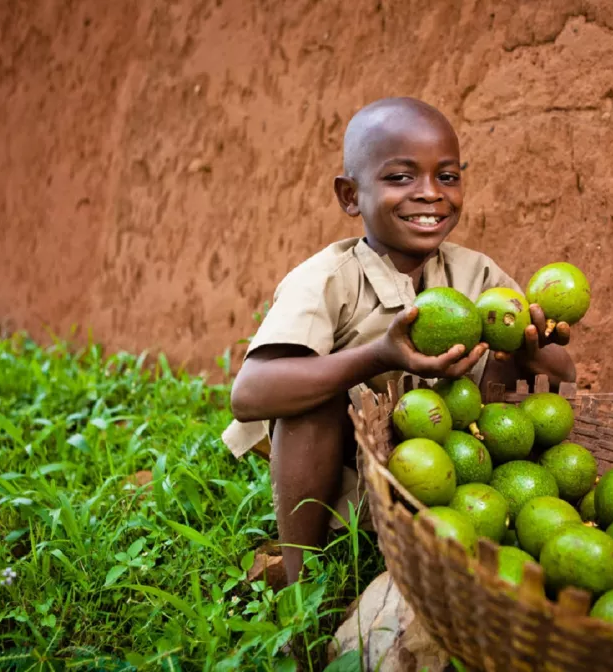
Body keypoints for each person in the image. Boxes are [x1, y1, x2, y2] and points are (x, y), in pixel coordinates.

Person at [225, 97, 576, 584]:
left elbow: (563, 378)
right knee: (312, 401)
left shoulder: (479, 276)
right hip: (350, 484)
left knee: (508, 365)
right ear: (350, 195)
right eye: (400, 177)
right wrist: (375, 357)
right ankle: (300, 579)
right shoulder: (328, 279)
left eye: (447, 177)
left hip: (462, 482)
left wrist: (531, 346)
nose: (430, 194)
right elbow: (249, 394)